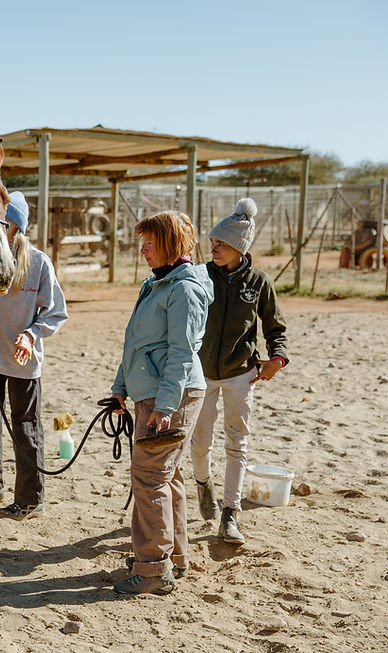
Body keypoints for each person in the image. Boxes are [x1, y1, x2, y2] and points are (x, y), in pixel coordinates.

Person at [110, 210, 213, 595]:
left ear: (170, 245)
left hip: (172, 394)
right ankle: (174, 557)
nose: (142, 251)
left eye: (149, 245)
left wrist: (166, 407)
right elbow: (135, 342)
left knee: (150, 478)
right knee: (167, 477)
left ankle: (153, 569)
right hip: (154, 393)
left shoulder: (183, 290)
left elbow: (182, 353)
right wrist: (120, 387)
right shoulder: (157, 284)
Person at [0, 191, 68, 520]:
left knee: (25, 428)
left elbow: (56, 313)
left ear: (17, 227)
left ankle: (31, 499)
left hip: (23, 361)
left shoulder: (37, 264)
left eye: (5, 223)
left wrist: (32, 334)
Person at [190, 198, 289, 545]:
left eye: (221, 244)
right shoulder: (200, 276)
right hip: (200, 374)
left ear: (239, 247)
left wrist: (278, 359)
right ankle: (204, 484)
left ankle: (230, 514)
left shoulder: (259, 281)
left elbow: (276, 329)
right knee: (200, 442)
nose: (214, 248)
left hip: (241, 374)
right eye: (213, 243)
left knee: (237, 443)